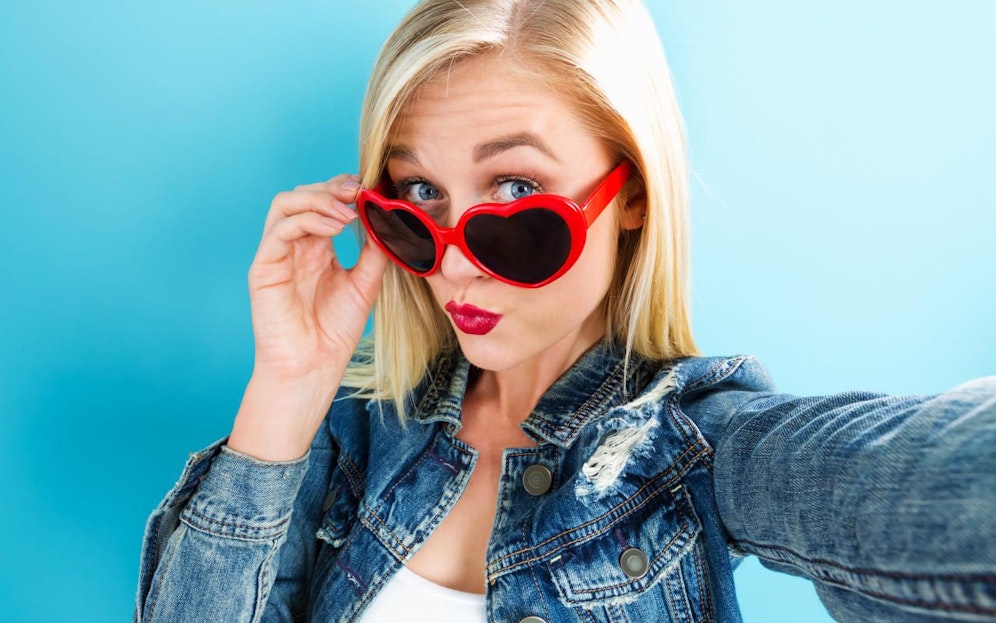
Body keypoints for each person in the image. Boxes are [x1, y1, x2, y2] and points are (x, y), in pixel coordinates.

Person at [134, 0, 996, 621]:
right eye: (420, 195)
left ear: (630, 195)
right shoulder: (347, 442)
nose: (458, 264)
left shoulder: (694, 449)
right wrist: (286, 386)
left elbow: (924, 482)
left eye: (515, 192)